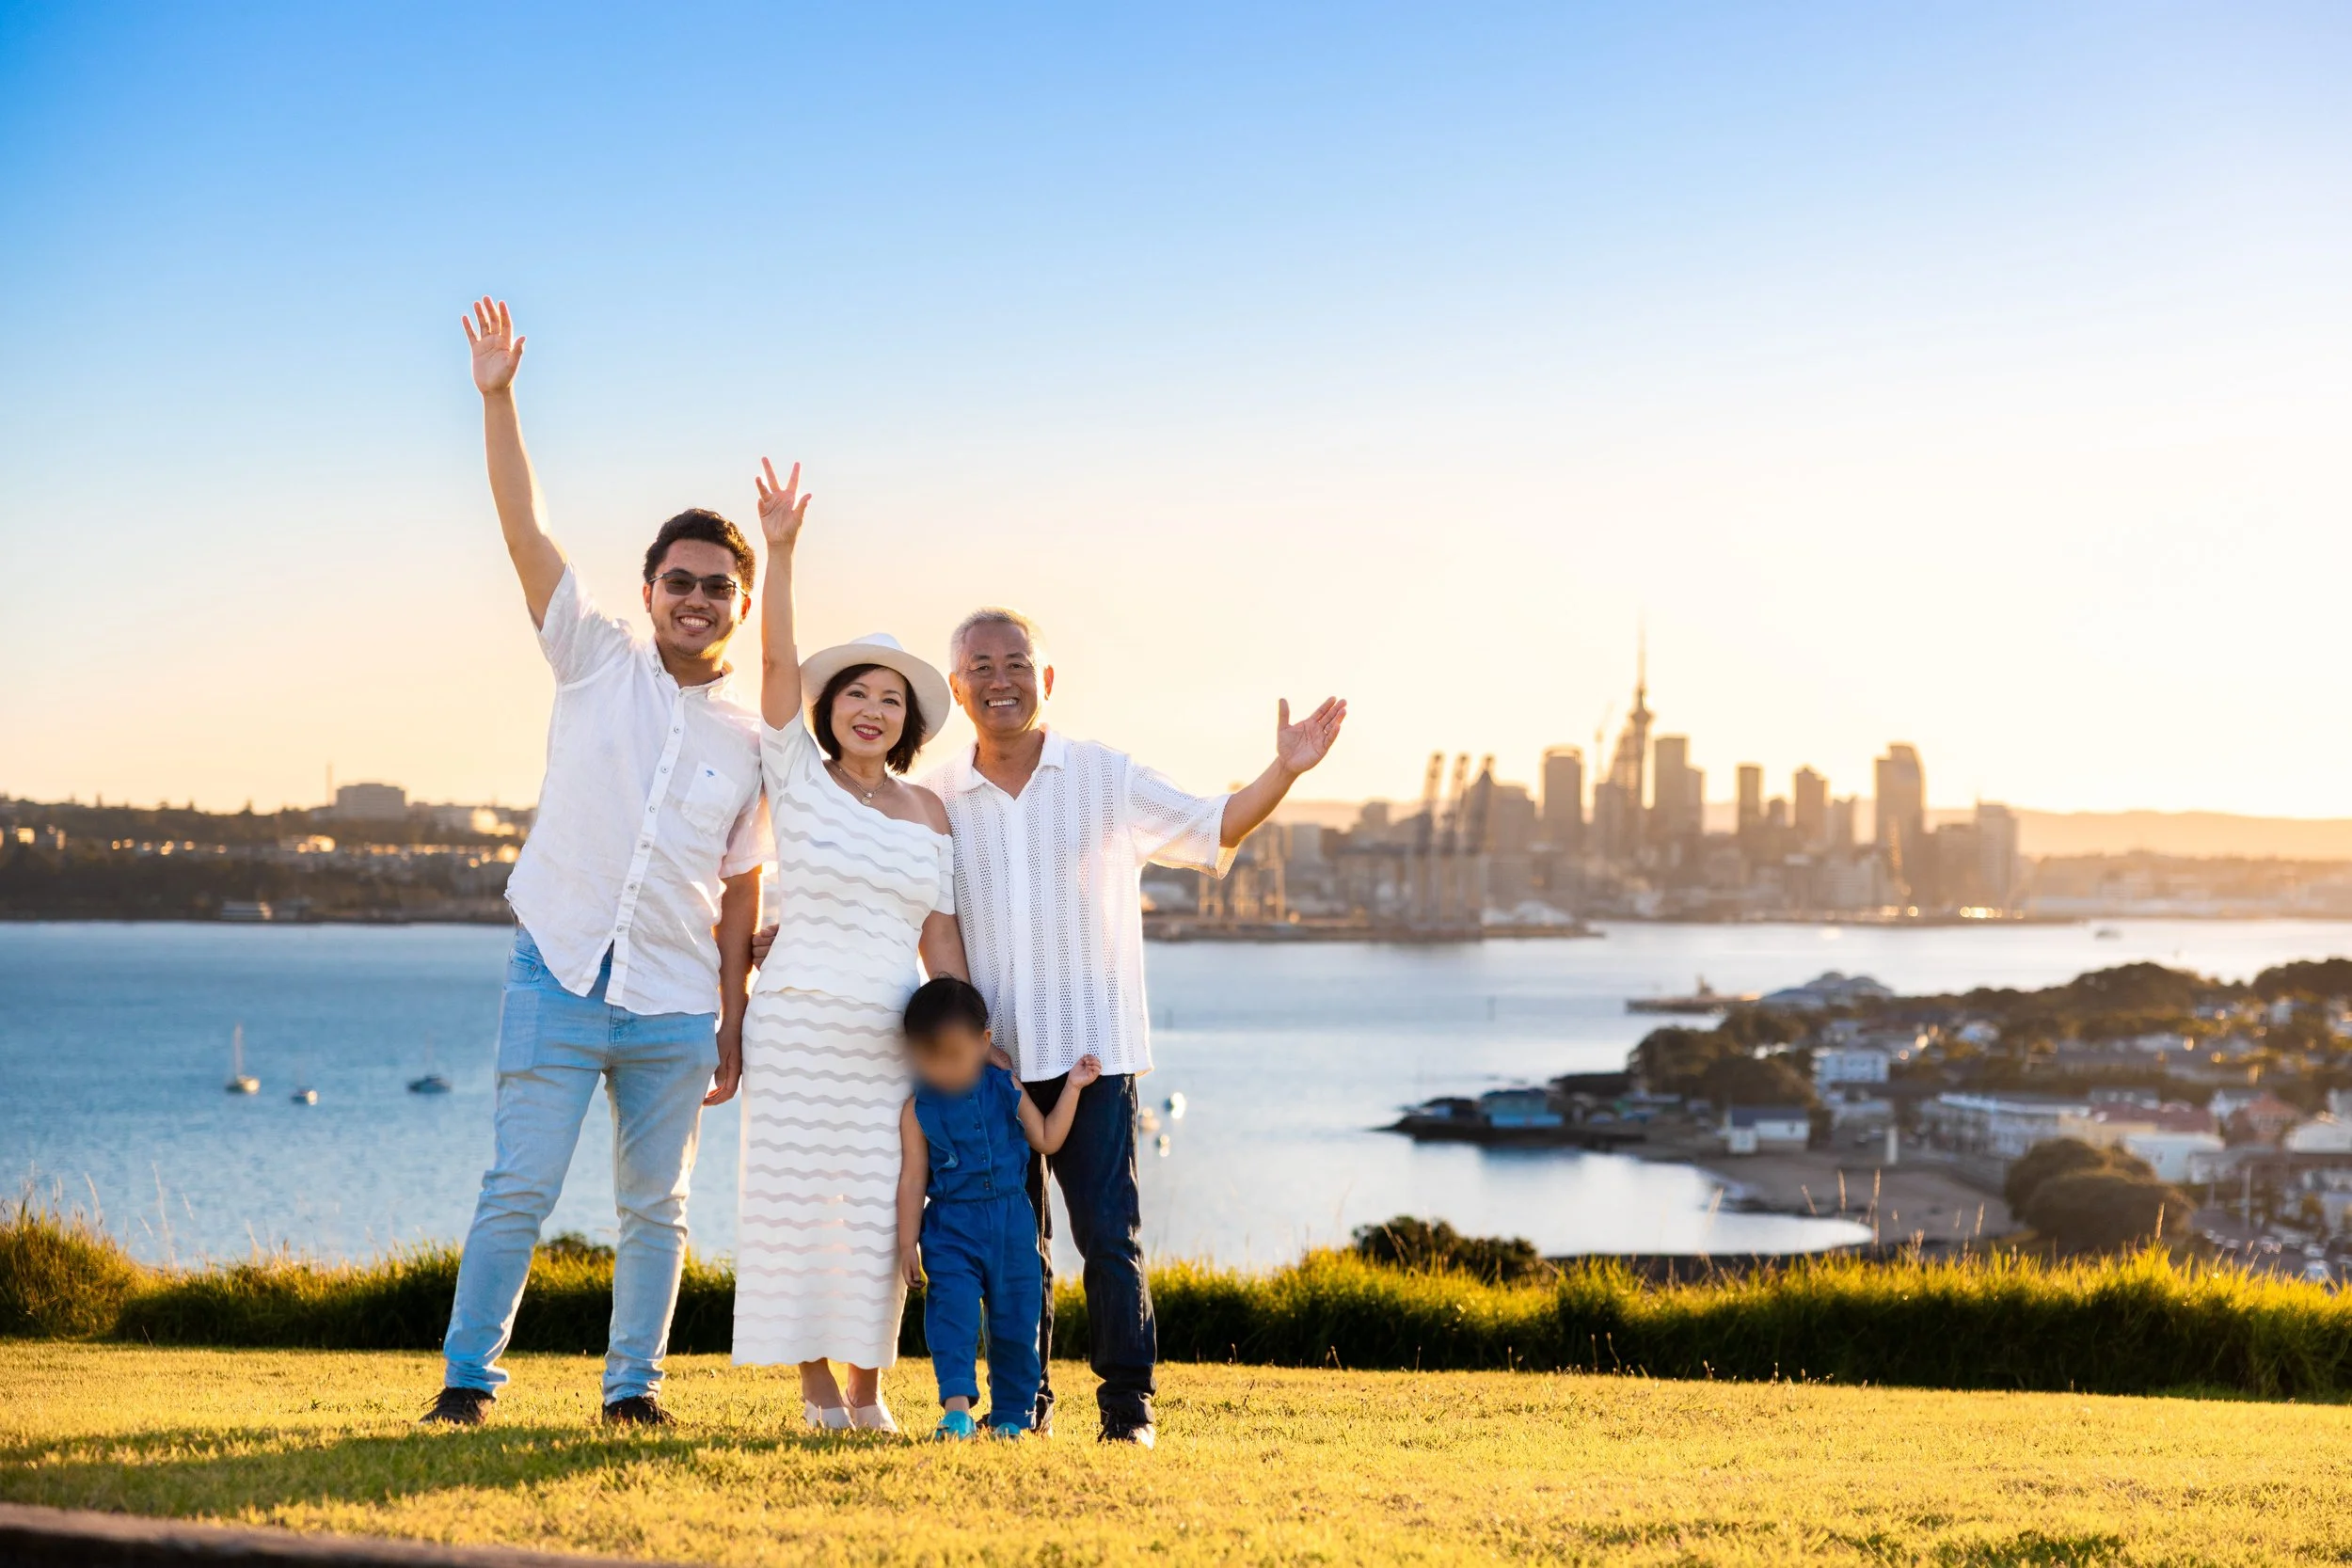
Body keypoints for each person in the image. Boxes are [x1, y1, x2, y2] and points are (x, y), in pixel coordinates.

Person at [422, 299, 767, 1429]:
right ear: (649, 584)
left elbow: (740, 892)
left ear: (742, 603)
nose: (698, 597)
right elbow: (523, 526)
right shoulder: (590, 657)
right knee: (516, 1189)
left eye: (720, 585)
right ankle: (467, 1381)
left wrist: (732, 1014)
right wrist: (497, 394)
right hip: (555, 970)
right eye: (682, 578)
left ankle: (634, 1391)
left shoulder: (751, 739)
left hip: (674, 1001)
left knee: (655, 1210)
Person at [925, 607, 1344, 1445]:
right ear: (957, 687)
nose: (1000, 677)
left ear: (1047, 680)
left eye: (1018, 662)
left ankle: (1128, 1411)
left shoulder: (1101, 775)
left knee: (1109, 1240)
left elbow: (1212, 824)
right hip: (992, 1061)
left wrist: (1285, 770)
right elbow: (899, 900)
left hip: (1090, 1053)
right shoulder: (936, 796)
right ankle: (1025, 1408)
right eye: (981, 665)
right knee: (1015, 1248)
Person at [732, 457, 969, 1433]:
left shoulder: (929, 810)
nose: (870, 708)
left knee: (879, 1213)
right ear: (830, 707)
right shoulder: (796, 771)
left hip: (889, 1033)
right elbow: (777, 662)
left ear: (907, 720)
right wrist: (781, 550)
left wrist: (968, 1040)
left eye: (889, 699)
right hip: (794, 1021)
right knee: (794, 1203)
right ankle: (816, 1392)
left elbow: (940, 935)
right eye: (855, 693)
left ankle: (871, 1390)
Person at [895, 976, 1098, 1439]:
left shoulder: (1005, 1087)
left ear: (984, 1043)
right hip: (949, 1229)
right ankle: (957, 1411)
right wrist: (907, 1243)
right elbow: (912, 1179)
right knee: (953, 1315)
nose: (940, 1069)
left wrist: (1073, 1087)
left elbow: (1046, 1137)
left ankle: (1012, 1419)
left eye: (952, 1054)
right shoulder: (917, 1110)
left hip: (1012, 1225)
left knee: (1016, 1323)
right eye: (927, 1058)